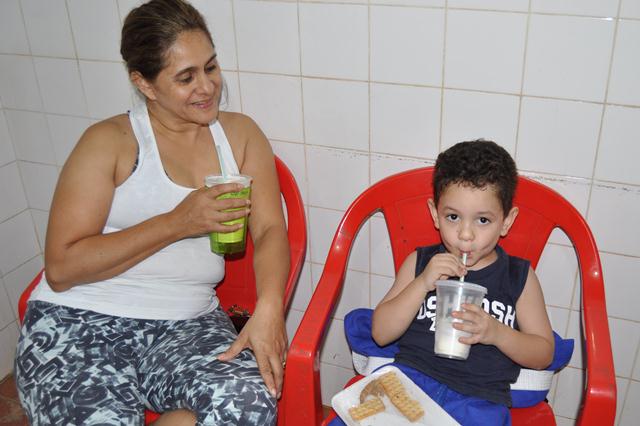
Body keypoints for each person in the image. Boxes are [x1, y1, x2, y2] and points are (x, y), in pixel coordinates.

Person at [15, 0, 289, 425]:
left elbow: (270, 228)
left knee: (247, 402)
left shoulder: (240, 135)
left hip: (187, 324)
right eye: (186, 77)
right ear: (144, 83)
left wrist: (270, 306)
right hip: (80, 320)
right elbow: (62, 268)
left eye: (211, 67)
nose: (207, 87)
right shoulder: (108, 142)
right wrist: (178, 222)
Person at [366, 140, 554, 425]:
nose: (465, 234)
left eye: (483, 220)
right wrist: (422, 283)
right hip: (408, 383)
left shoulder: (518, 277)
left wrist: (496, 332)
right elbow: (380, 333)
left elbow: (543, 354)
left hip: (479, 400)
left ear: (506, 221)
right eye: (453, 217)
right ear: (435, 214)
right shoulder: (420, 263)